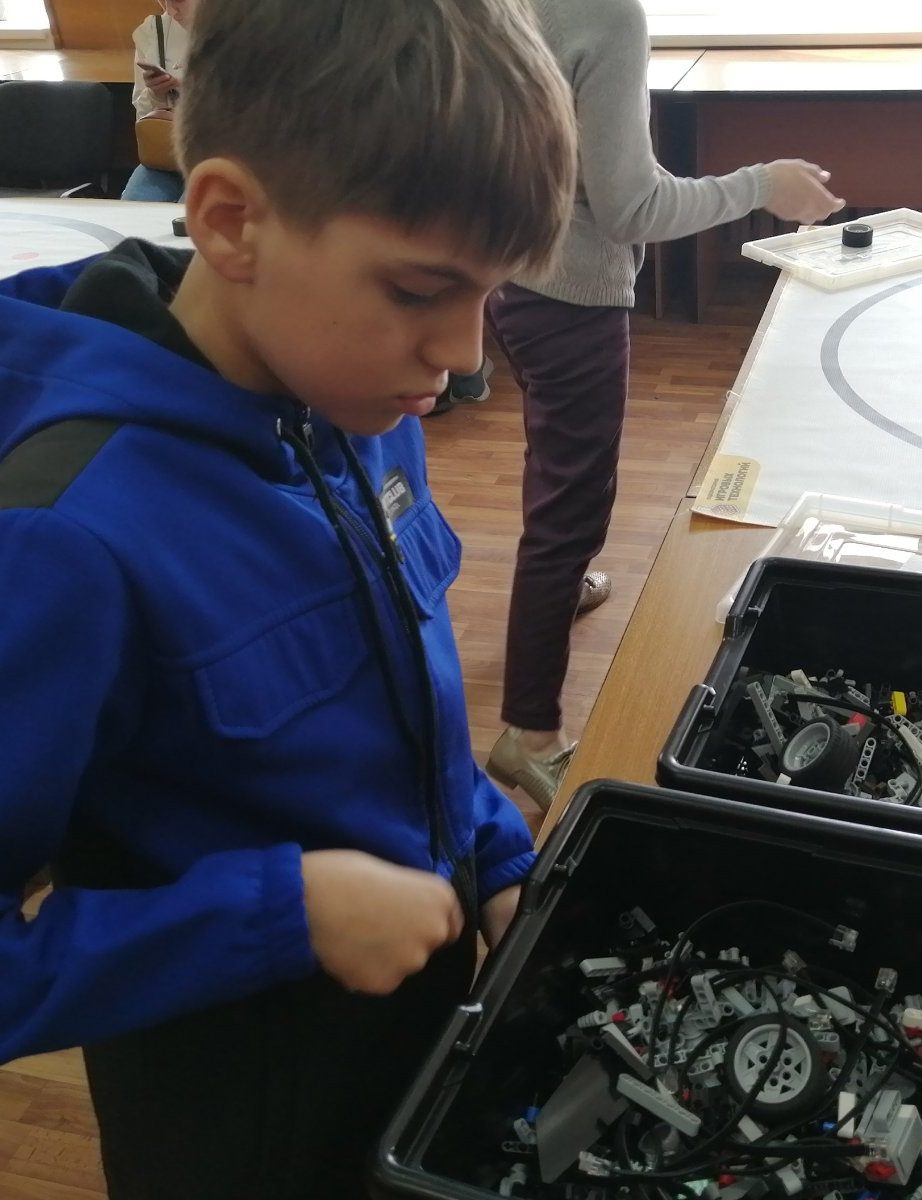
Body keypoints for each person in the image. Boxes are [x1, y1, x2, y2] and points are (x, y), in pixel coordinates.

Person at [0, 0, 576, 1197]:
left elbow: (393, 693)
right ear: (230, 221)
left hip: (412, 1029)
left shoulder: (360, 400)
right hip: (236, 1111)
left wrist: (491, 846)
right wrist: (281, 913)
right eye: (419, 290)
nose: (466, 355)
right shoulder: (62, 539)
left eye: (489, 294)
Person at [483, 0, 848, 810]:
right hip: (566, 295)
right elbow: (632, 208)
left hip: (509, 271)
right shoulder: (606, 16)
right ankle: (528, 734)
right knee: (570, 507)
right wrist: (763, 185)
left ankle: (555, 592)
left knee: (555, 467)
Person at [122, 0, 198, 202]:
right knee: (134, 204)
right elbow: (142, 117)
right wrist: (156, 93)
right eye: (162, 0)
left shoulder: (248, 30)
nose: (169, 10)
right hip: (168, 152)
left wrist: (197, 91)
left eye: (178, 0)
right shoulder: (154, 31)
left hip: (224, 154)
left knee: (191, 208)